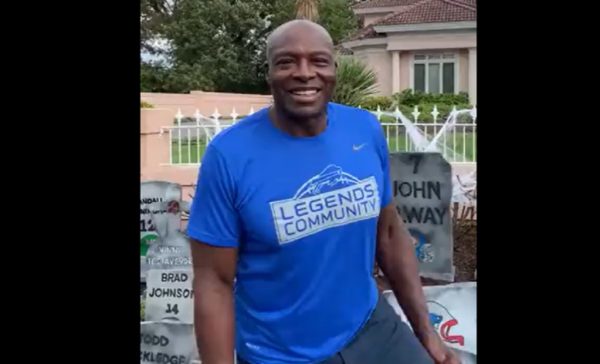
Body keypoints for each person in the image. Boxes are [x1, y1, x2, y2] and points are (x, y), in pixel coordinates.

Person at [187, 19, 460, 364]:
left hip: (372, 328)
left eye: (318, 60)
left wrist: (427, 335)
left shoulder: (364, 129)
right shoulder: (230, 156)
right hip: (280, 354)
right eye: (287, 62)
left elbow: (389, 233)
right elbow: (214, 282)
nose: (304, 73)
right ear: (269, 73)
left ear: (333, 69)